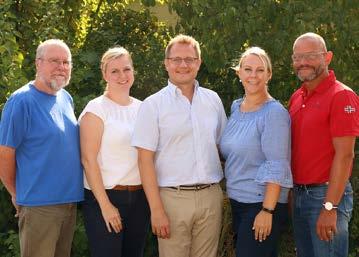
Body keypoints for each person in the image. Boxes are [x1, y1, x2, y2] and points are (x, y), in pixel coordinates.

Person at [131, 34, 227, 257]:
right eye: (176, 59)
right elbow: (144, 161)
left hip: (210, 197)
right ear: (166, 64)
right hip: (171, 200)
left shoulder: (213, 100)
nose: (183, 65)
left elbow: (224, 146)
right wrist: (156, 210)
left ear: (199, 63)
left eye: (189, 59)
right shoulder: (152, 105)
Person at [0, 39, 83, 257]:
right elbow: (5, 154)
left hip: (68, 203)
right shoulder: (21, 101)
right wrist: (16, 193)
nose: (61, 67)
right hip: (39, 206)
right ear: (38, 63)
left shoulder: (66, 98)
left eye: (66, 62)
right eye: (54, 61)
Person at [289, 32, 359, 257]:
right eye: (297, 57)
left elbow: (345, 155)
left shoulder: (342, 96)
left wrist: (330, 207)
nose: (302, 63)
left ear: (327, 57)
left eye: (309, 56)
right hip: (300, 195)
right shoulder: (297, 97)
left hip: (326, 197)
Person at [219, 47, 293, 257]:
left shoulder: (274, 113)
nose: (253, 75)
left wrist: (267, 211)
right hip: (239, 201)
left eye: (260, 70)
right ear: (239, 73)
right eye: (248, 69)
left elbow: (277, 164)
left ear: (269, 74)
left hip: (261, 204)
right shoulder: (236, 108)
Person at [79, 47, 150, 257]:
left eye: (126, 69)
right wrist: (106, 206)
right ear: (104, 75)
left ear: (133, 71)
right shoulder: (96, 110)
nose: (122, 76)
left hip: (139, 199)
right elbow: (88, 160)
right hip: (106, 197)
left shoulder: (143, 108)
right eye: (115, 71)